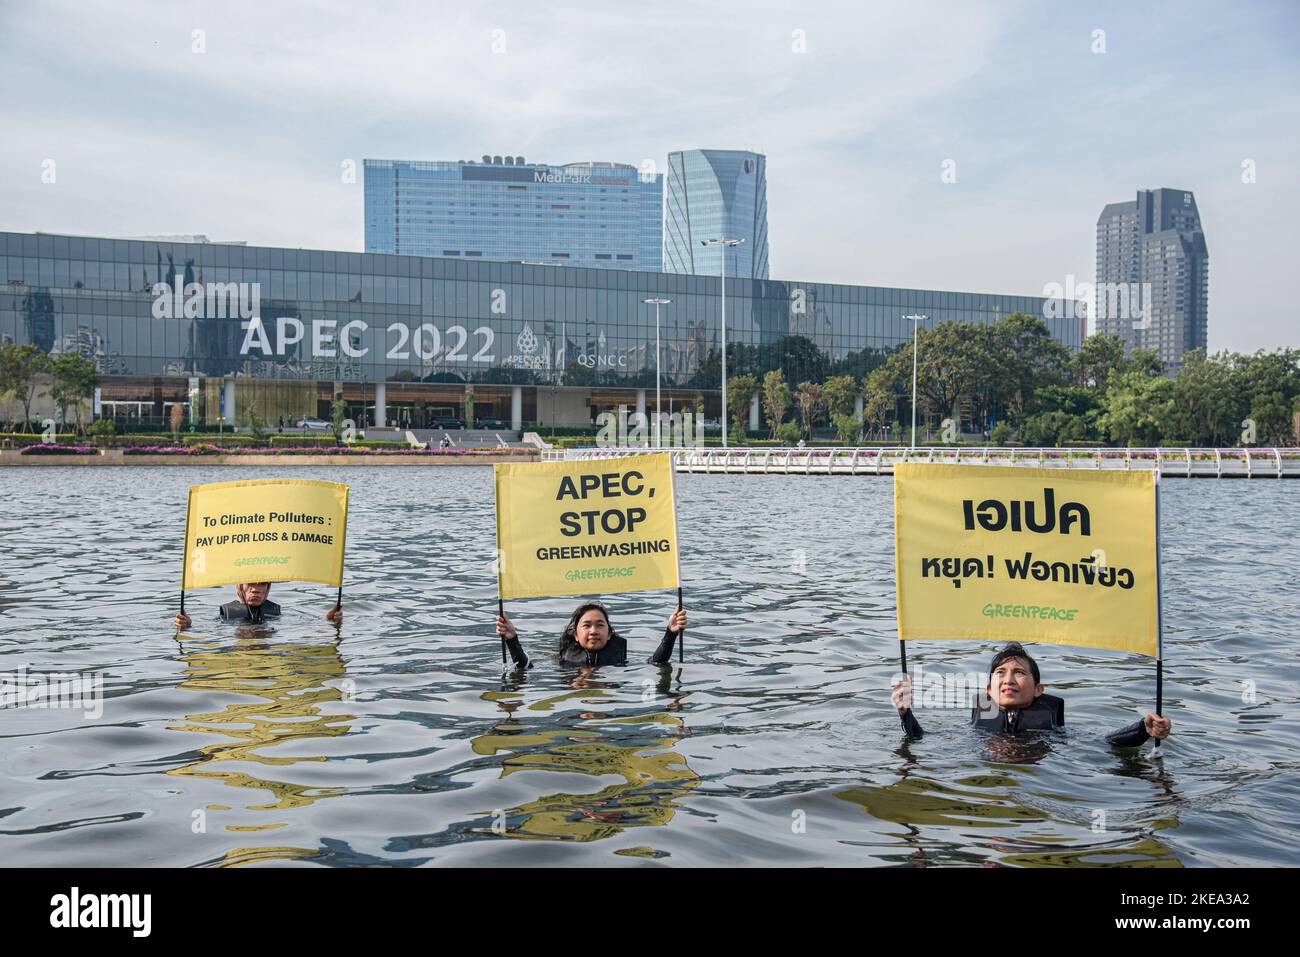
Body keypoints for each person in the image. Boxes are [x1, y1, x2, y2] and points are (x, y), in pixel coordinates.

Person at [890, 642, 1171, 748]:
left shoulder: (1055, 733)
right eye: (999, 673)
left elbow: (1106, 743)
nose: (1008, 679)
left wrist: (1142, 729)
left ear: (1039, 689)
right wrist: (906, 713)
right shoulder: (972, 733)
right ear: (988, 690)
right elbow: (920, 741)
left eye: (1020, 673)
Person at [495, 601, 686, 669]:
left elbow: (656, 663)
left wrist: (670, 633)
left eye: (600, 625)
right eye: (586, 625)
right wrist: (512, 639)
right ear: (576, 635)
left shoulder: (620, 664)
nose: (593, 631)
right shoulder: (563, 665)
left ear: (610, 634)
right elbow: (525, 668)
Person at [172, 581, 342, 629]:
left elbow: (306, 625)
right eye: (250, 584)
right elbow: (208, 628)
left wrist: (329, 621)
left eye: (261, 585)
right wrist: (187, 626)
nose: (255, 590)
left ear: (268, 590)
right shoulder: (226, 615)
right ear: (239, 587)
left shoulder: (275, 613)